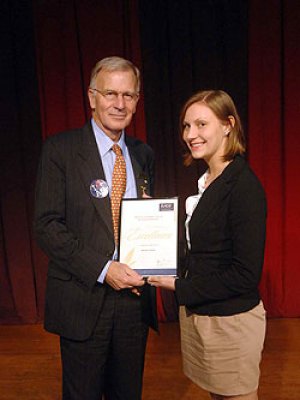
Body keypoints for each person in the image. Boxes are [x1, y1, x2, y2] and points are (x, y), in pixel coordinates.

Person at [34, 56, 157, 400]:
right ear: (92, 97)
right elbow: (47, 226)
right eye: (110, 94)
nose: (119, 104)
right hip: (82, 298)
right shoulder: (60, 150)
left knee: (127, 394)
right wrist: (105, 270)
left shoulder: (143, 154)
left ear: (136, 101)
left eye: (128, 95)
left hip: (133, 301)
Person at [148, 90, 267, 400]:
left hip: (231, 323)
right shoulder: (207, 181)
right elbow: (201, 250)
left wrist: (179, 286)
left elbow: (244, 274)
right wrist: (151, 221)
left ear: (228, 125)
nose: (191, 135)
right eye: (187, 126)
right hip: (204, 317)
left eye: (201, 124)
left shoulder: (243, 186)